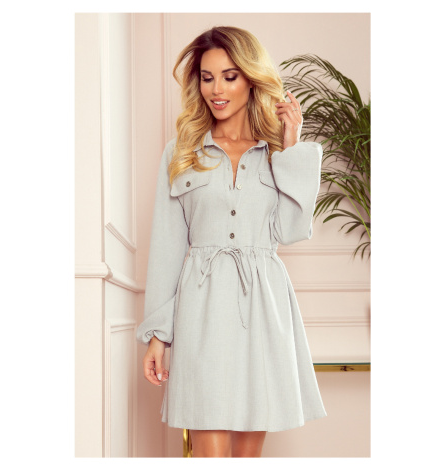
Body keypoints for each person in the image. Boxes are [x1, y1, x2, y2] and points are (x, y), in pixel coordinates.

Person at [136, 26, 327, 458]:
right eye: (207, 78)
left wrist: (291, 148)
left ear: (251, 79)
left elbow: (291, 230)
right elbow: (167, 247)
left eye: (229, 76)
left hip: (263, 310)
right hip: (202, 311)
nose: (216, 90)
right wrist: (158, 335)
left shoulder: (276, 151)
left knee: (245, 457)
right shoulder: (182, 152)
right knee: (210, 454)